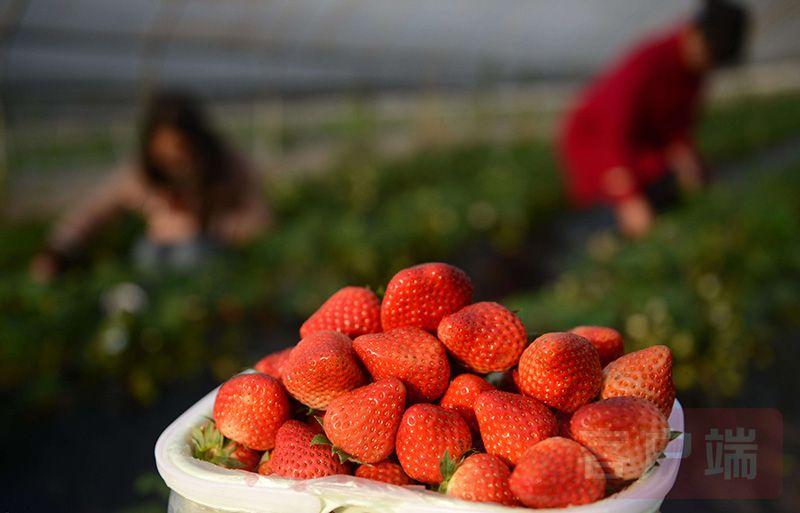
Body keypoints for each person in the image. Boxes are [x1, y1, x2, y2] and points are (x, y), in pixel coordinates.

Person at [31, 90, 270, 280]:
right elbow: (95, 211)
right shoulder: (141, 175)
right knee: (146, 262)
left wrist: (215, 227)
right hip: (156, 253)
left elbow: (258, 217)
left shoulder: (228, 165)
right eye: (165, 157)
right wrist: (58, 249)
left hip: (207, 253)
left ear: (198, 142)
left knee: (191, 256)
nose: (176, 164)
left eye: (182, 153)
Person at [559, 0, 749, 238]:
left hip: (638, 153)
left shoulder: (693, 74)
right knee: (613, 223)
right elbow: (614, 134)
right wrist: (628, 199)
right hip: (597, 150)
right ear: (693, 33)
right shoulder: (648, 62)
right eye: (708, 53)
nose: (708, 65)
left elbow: (677, 129)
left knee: (675, 186)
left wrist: (687, 159)